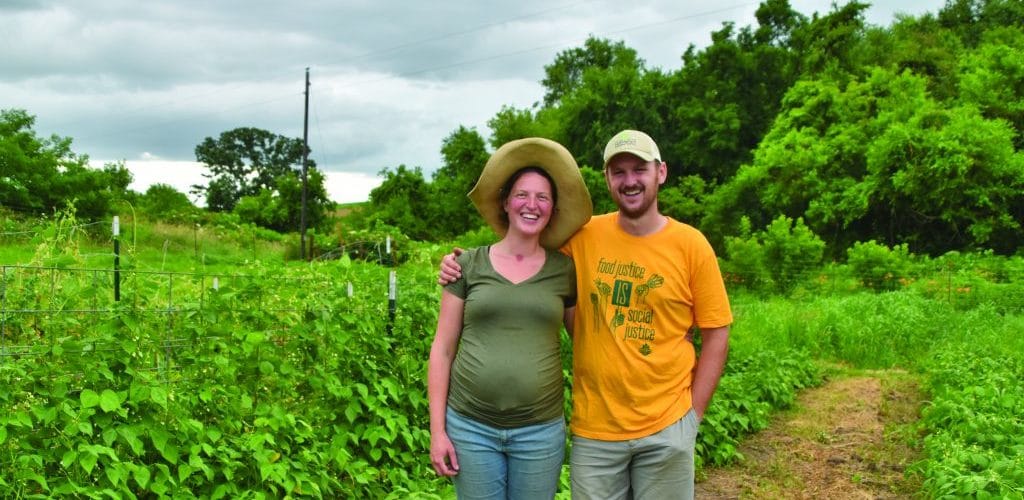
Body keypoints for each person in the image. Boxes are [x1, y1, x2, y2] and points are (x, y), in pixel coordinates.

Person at [439, 130, 732, 499]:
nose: (629, 181)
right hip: (596, 430)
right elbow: (521, 248)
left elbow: (717, 332)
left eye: (639, 169)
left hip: (668, 423)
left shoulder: (692, 245)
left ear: (661, 172)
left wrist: (693, 417)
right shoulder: (583, 236)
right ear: (607, 178)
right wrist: (458, 264)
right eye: (618, 171)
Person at [428, 137, 593, 499]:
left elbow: (587, 341)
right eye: (522, 194)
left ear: (552, 209)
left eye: (542, 197)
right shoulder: (466, 265)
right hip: (471, 428)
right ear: (505, 202)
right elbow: (442, 349)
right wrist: (437, 431)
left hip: (540, 431)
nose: (531, 205)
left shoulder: (565, 270)